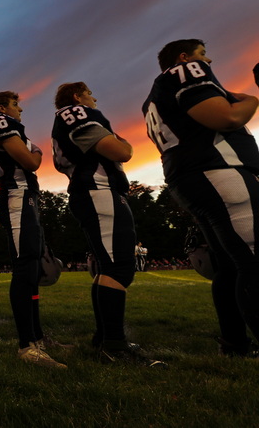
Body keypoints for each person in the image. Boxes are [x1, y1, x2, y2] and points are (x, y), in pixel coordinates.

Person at [144, 39, 259, 356]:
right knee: (253, 261)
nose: (209, 59)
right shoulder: (185, 71)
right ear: (184, 58)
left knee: (230, 267)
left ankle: (234, 342)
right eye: (203, 53)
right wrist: (251, 99)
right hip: (219, 171)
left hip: (194, 177)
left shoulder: (155, 98)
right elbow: (228, 119)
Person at [52, 82, 165, 367]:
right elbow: (122, 151)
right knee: (118, 266)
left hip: (94, 191)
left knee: (107, 265)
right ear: (77, 97)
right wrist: (119, 141)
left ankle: (104, 339)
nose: (95, 97)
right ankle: (114, 347)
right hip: (98, 190)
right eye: (90, 92)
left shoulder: (68, 118)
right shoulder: (76, 112)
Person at [0, 91, 67, 368]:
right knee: (25, 268)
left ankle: (37, 338)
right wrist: (37, 150)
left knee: (32, 270)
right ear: (2, 108)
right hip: (15, 196)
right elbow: (31, 162)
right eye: (16, 104)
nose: (21, 109)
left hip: (24, 197)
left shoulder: (8, 125)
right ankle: (27, 346)